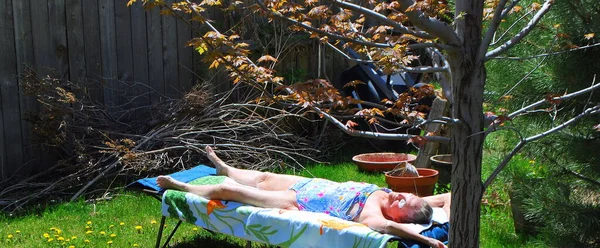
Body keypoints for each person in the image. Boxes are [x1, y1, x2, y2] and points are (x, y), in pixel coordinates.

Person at [157, 146, 451, 248]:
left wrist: (425, 239)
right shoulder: (393, 197)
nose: (399, 198)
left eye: (403, 206)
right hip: (313, 184)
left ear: (400, 219)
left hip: (299, 202)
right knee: (262, 177)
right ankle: (225, 167)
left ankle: (182, 188)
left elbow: (389, 229)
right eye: (405, 196)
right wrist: (454, 211)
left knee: (230, 192)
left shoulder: (375, 216)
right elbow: (450, 196)